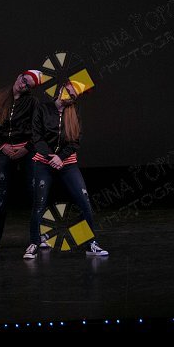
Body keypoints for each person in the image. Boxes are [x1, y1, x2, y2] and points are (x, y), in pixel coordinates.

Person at [23, 80, 108, 260]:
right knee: (39, 203)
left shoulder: (73, 111)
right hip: (43, 162)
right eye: (68, 92)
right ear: (61, 89)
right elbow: (37, 137)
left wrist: (60, 157)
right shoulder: (43, 108)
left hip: (67, 163)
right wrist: (51, 157)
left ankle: (91, 243)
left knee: (84, 201)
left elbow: (76, 140)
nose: (69, 97)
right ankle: (34, 243)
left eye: (73, 96)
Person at [0, 70, 41, 251]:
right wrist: (2, 145)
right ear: (19, 76)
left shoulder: (32, 102)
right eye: (24, 80)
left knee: (34, 191)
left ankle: (39, 234)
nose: (23, 85)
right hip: (4, 149)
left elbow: (38, 128)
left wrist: (26, 148)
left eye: (28, 85)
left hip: (26, 150)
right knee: (2, 193)